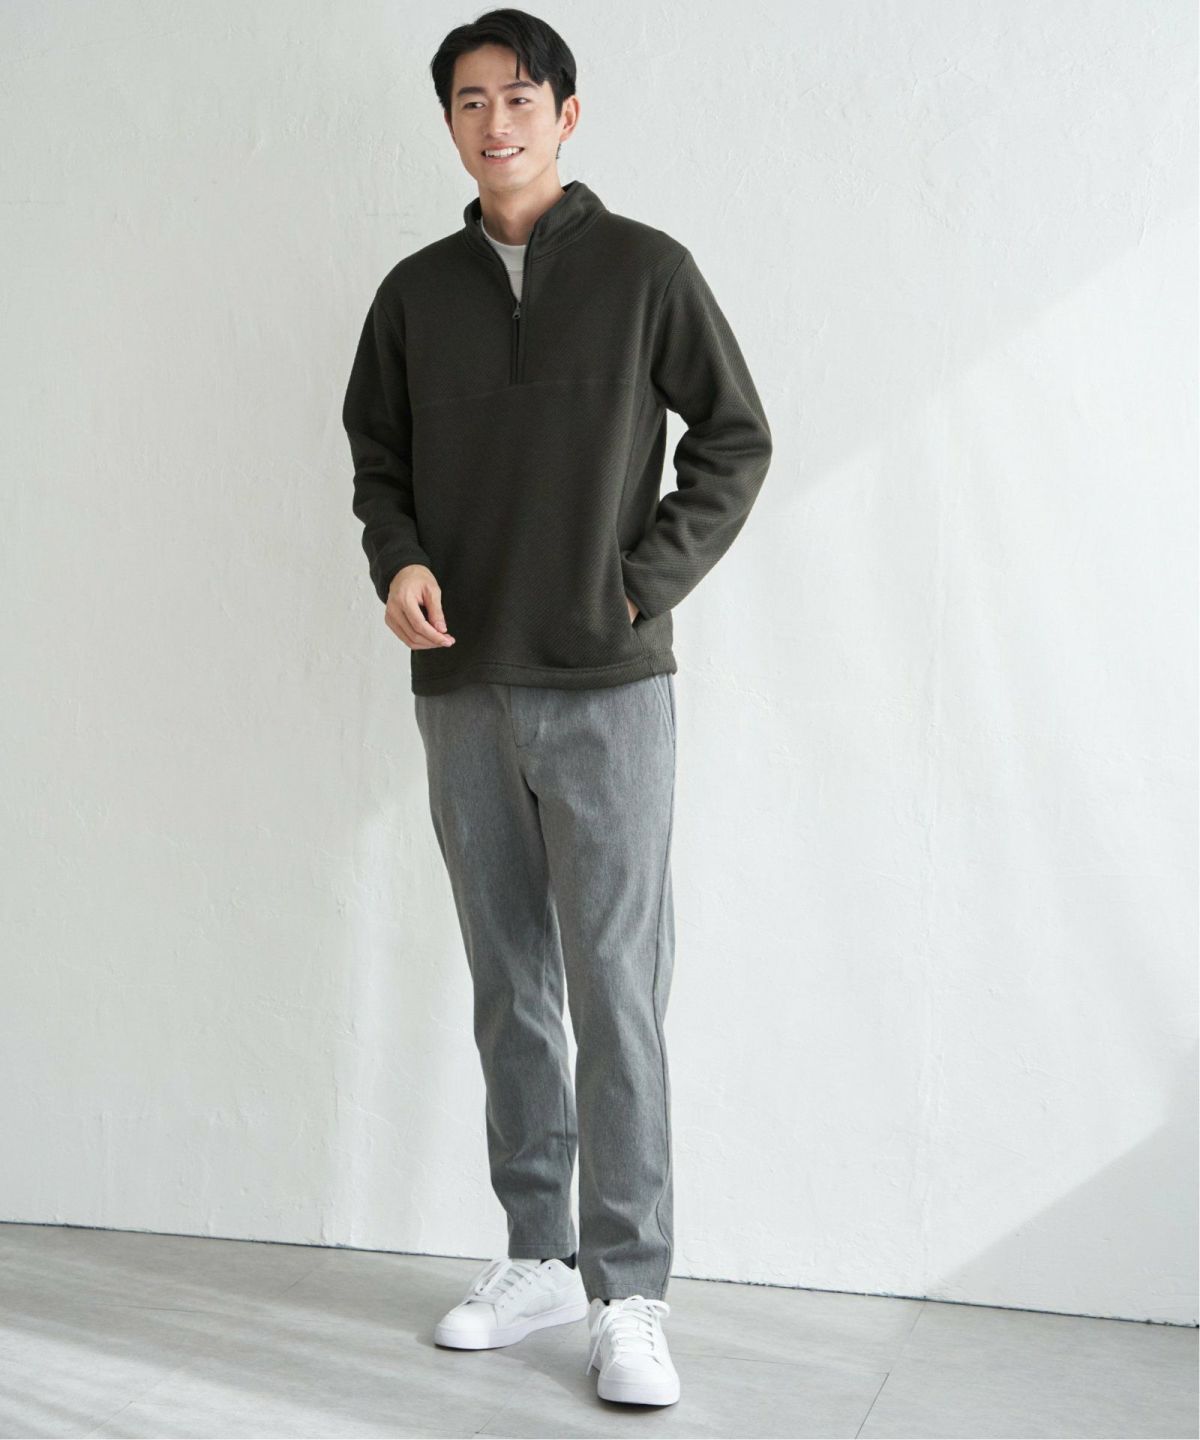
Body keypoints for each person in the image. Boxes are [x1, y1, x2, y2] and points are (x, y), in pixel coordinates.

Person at [341, 7, 772, 1409]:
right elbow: (377, 455)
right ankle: (537, 1252)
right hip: (464, 683)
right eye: (470, 102)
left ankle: (628, 1290)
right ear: (450, 124)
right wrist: (399, 559)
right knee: (510, 983)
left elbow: (735, 438)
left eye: (519, 97)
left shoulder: (648, 272)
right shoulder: (415, 295)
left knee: (616, 990)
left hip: (606, 686)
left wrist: (644, 582)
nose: (496, 122)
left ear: (566, 114)